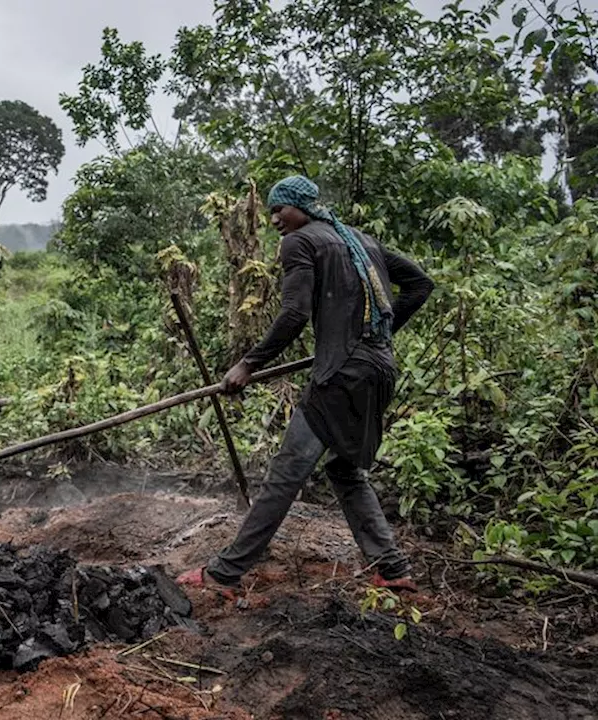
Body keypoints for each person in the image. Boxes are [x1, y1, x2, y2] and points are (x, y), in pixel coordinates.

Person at [177, 175, 434, 598]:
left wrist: (248, 363)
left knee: (286, 473)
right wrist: (373, 333)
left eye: (280, 209)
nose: (275, 219)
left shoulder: (300, 243)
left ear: (303, 207)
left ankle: (224, 573)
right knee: (343, 468)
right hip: (379, 370)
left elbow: (294, 313)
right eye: (272, 212)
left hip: (341, 376)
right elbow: (420, 285)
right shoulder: (360, 240)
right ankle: (391, 568)